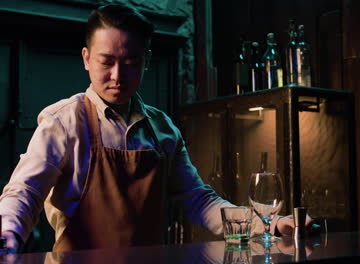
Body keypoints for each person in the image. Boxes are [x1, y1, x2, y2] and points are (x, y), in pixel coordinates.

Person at [0, 4, 313, 253]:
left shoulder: (163, 130)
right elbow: (25, 191)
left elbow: (199, 201)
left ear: (146, 60)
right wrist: (8, 233)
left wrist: (268, 224)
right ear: (86, 59)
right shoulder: (63, 122)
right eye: (106, 61)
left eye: (131, 62)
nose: (118, 75)